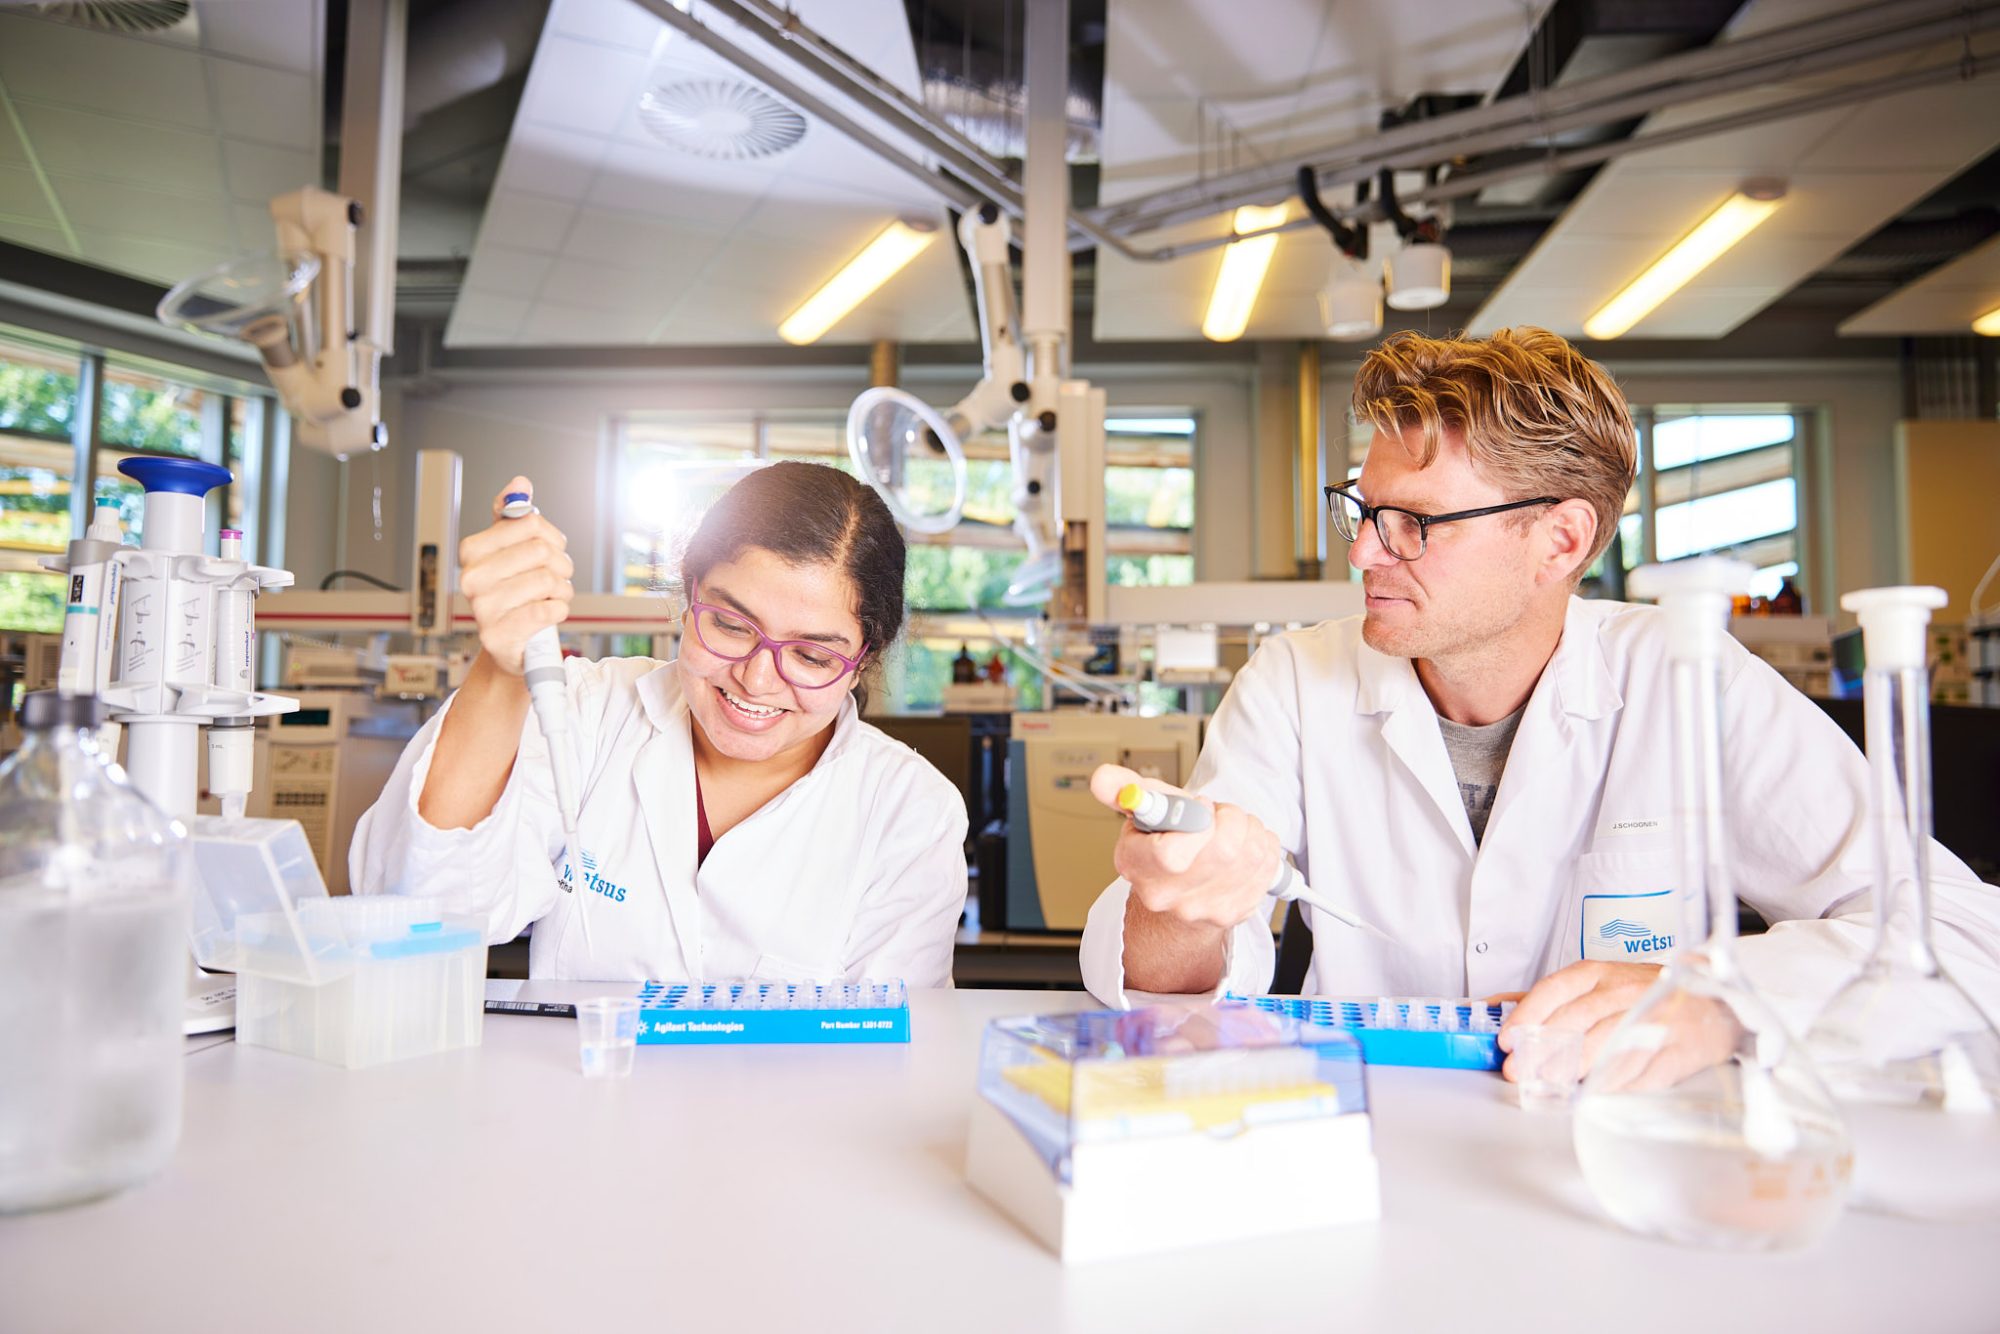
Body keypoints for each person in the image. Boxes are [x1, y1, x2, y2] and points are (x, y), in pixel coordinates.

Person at [1078, 327, 2000, 1078]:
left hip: (1619, 1165)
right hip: (1374, 1148)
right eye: (1362, 510)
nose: (1361, 554)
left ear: (1560, 539)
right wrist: (1182, 902)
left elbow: (1958, 933)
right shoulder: (1295, 684)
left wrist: (1719, 998)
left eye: (1416, 523)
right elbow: (1162, 991)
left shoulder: (1688, 683)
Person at [352, 461, 969, 986]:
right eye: (730, 625)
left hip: (790, 1130)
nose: (757, 680)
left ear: (865, 660)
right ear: (689, 591)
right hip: (573, 1115)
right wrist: (504, 665)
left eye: (811, 656)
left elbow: (884, 1059)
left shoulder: (909, 811)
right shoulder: (588, 713)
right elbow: (421, 914)